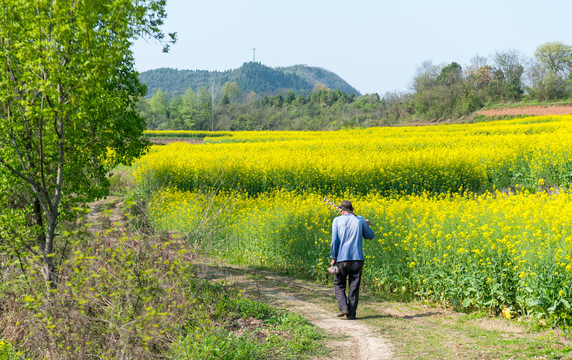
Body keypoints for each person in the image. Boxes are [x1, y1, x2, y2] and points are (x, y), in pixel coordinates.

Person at [330, 200, 374, 320]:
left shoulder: (337, 220)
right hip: (357, 258)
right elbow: (370, 236)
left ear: (340, 210)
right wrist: (367, 225)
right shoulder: (359, 219)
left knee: (339, 284)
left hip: (341, 258)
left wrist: (333, 257)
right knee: (354, 287)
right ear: (352, 210)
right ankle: (352, 314)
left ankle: (344, 307)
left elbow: (335, 241)